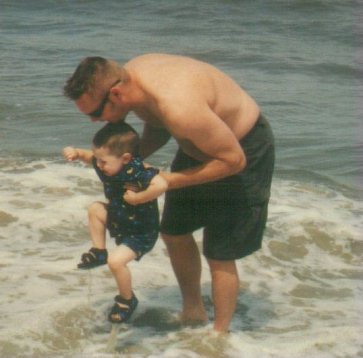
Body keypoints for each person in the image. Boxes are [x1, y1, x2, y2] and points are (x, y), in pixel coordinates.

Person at [63, 53, 275, 332]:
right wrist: (129, 163)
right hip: (197, 145)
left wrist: (168, 181)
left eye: (95, 113)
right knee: (174, 232)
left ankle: (219, 336)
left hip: (242, 149)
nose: (93, 121)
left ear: (115, 94)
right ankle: (193, 311)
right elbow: (159, 125)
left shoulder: (179, 107)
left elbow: (233, 161)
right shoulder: (135, 82)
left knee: (220, 252)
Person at [63, 122, 168, 323]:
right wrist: (74, 152)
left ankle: (127, 300)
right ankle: (99, 251)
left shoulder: (137, 171)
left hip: (141, 232)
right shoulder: (107, 163)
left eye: (103, 162)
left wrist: (140, 198)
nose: (99, 165)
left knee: (116, 262)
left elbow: (162, 183)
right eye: (99, 161)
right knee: (95, 208)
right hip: (119, 219)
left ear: (126, 158)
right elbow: (89, 157)